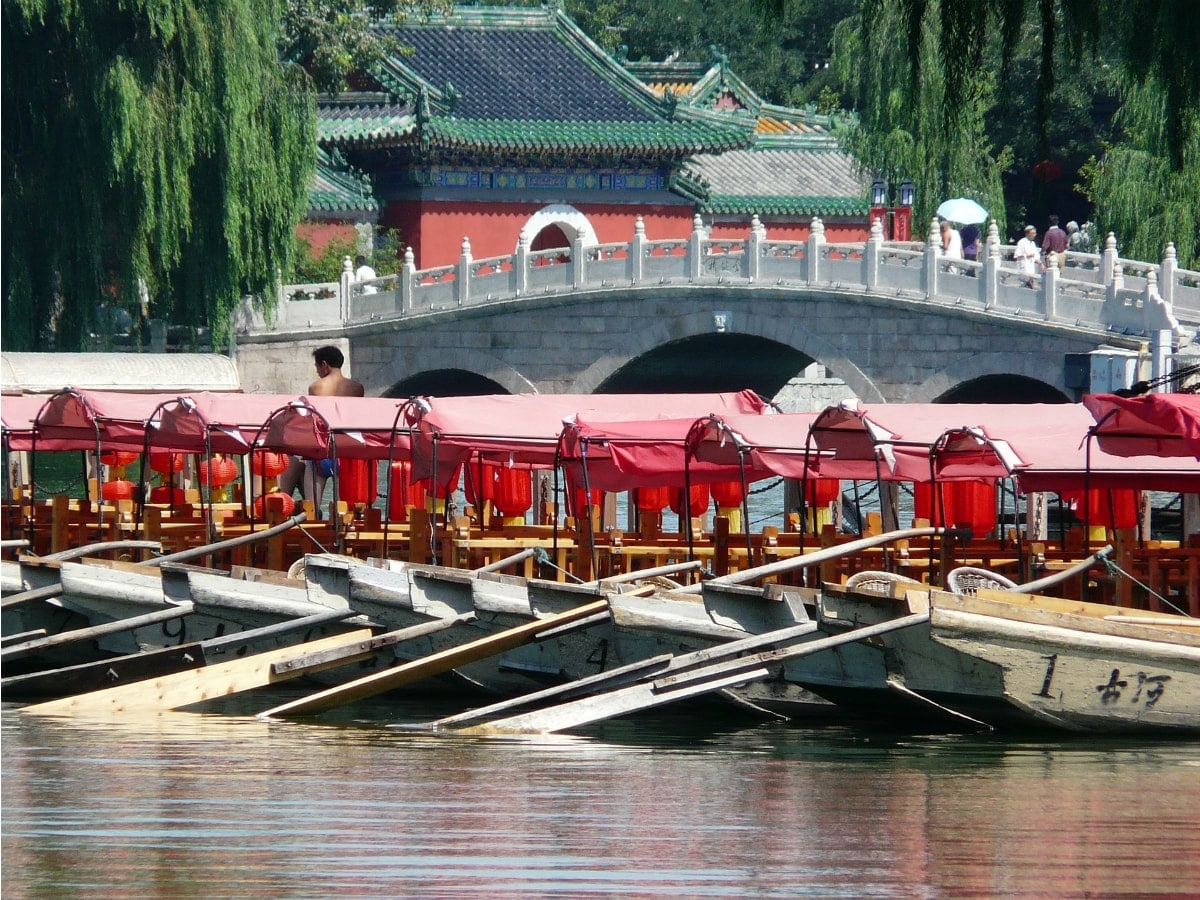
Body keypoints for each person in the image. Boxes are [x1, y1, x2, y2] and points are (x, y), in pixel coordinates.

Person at [277, 345, 366, 515]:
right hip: (345, 451)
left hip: (322, 450)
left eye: (317, 367)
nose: (317, 372)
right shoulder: (357, 388)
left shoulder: (316, 388)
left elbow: (316, 420)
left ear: (324, 365)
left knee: (312, 507)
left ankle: (313, 533)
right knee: (345, 509)